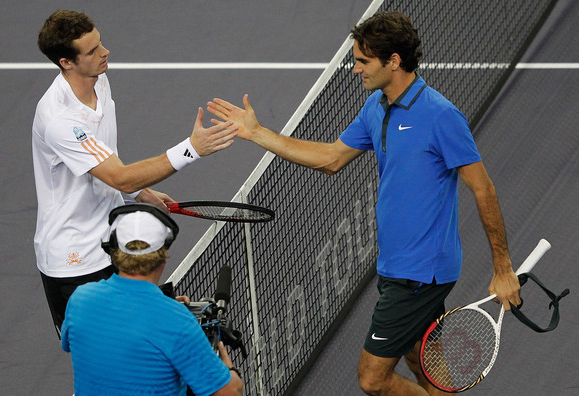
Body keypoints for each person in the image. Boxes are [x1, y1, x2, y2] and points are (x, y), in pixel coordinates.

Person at [207, 11, 521, 396]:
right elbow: (331, 158)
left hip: (421, 273)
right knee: (424, 360)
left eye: (363, 61)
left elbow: (484, 189)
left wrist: (503, 268)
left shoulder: (441, 116)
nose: (355, 69)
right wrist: (257, 134)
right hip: (395, 264)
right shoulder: (376, 107)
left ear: (393, 61)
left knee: (372, 378)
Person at [32, 10, 237, 336]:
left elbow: (106, 163)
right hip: (74, 261)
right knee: (101, 356)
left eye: (100, 43)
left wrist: (138, 193)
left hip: (111, 242)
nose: (105, 53)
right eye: (92, 51)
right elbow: (120, 176)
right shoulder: (60, 120)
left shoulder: (100, 80)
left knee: (138, 340)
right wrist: (191, 149)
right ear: (66, 62)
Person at [61, 203, 243, 395]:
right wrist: (229, 369)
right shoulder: (177, 320)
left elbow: (73, 343)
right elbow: (229, 392)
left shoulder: (80, 300)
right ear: (163, 256)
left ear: (114, 251)